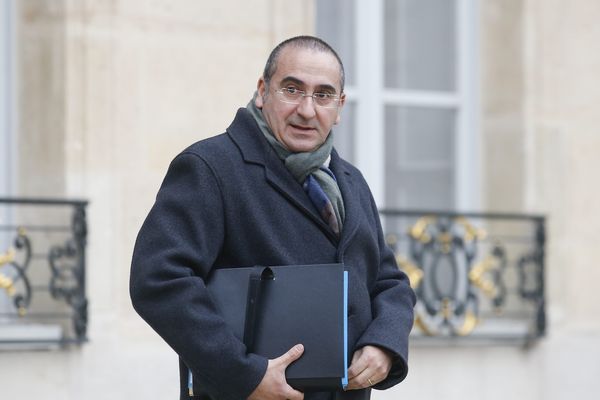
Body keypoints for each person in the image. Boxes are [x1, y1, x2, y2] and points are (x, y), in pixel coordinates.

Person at [130, 35, 416, 400]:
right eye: (292, 89)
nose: (307, 110)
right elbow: (158, 280)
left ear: (340, 107)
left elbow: (389, 281)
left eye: (323, 95)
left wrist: (385, 343)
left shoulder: (351, 182)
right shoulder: (210, 167)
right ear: (263, 91)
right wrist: (242, 374)